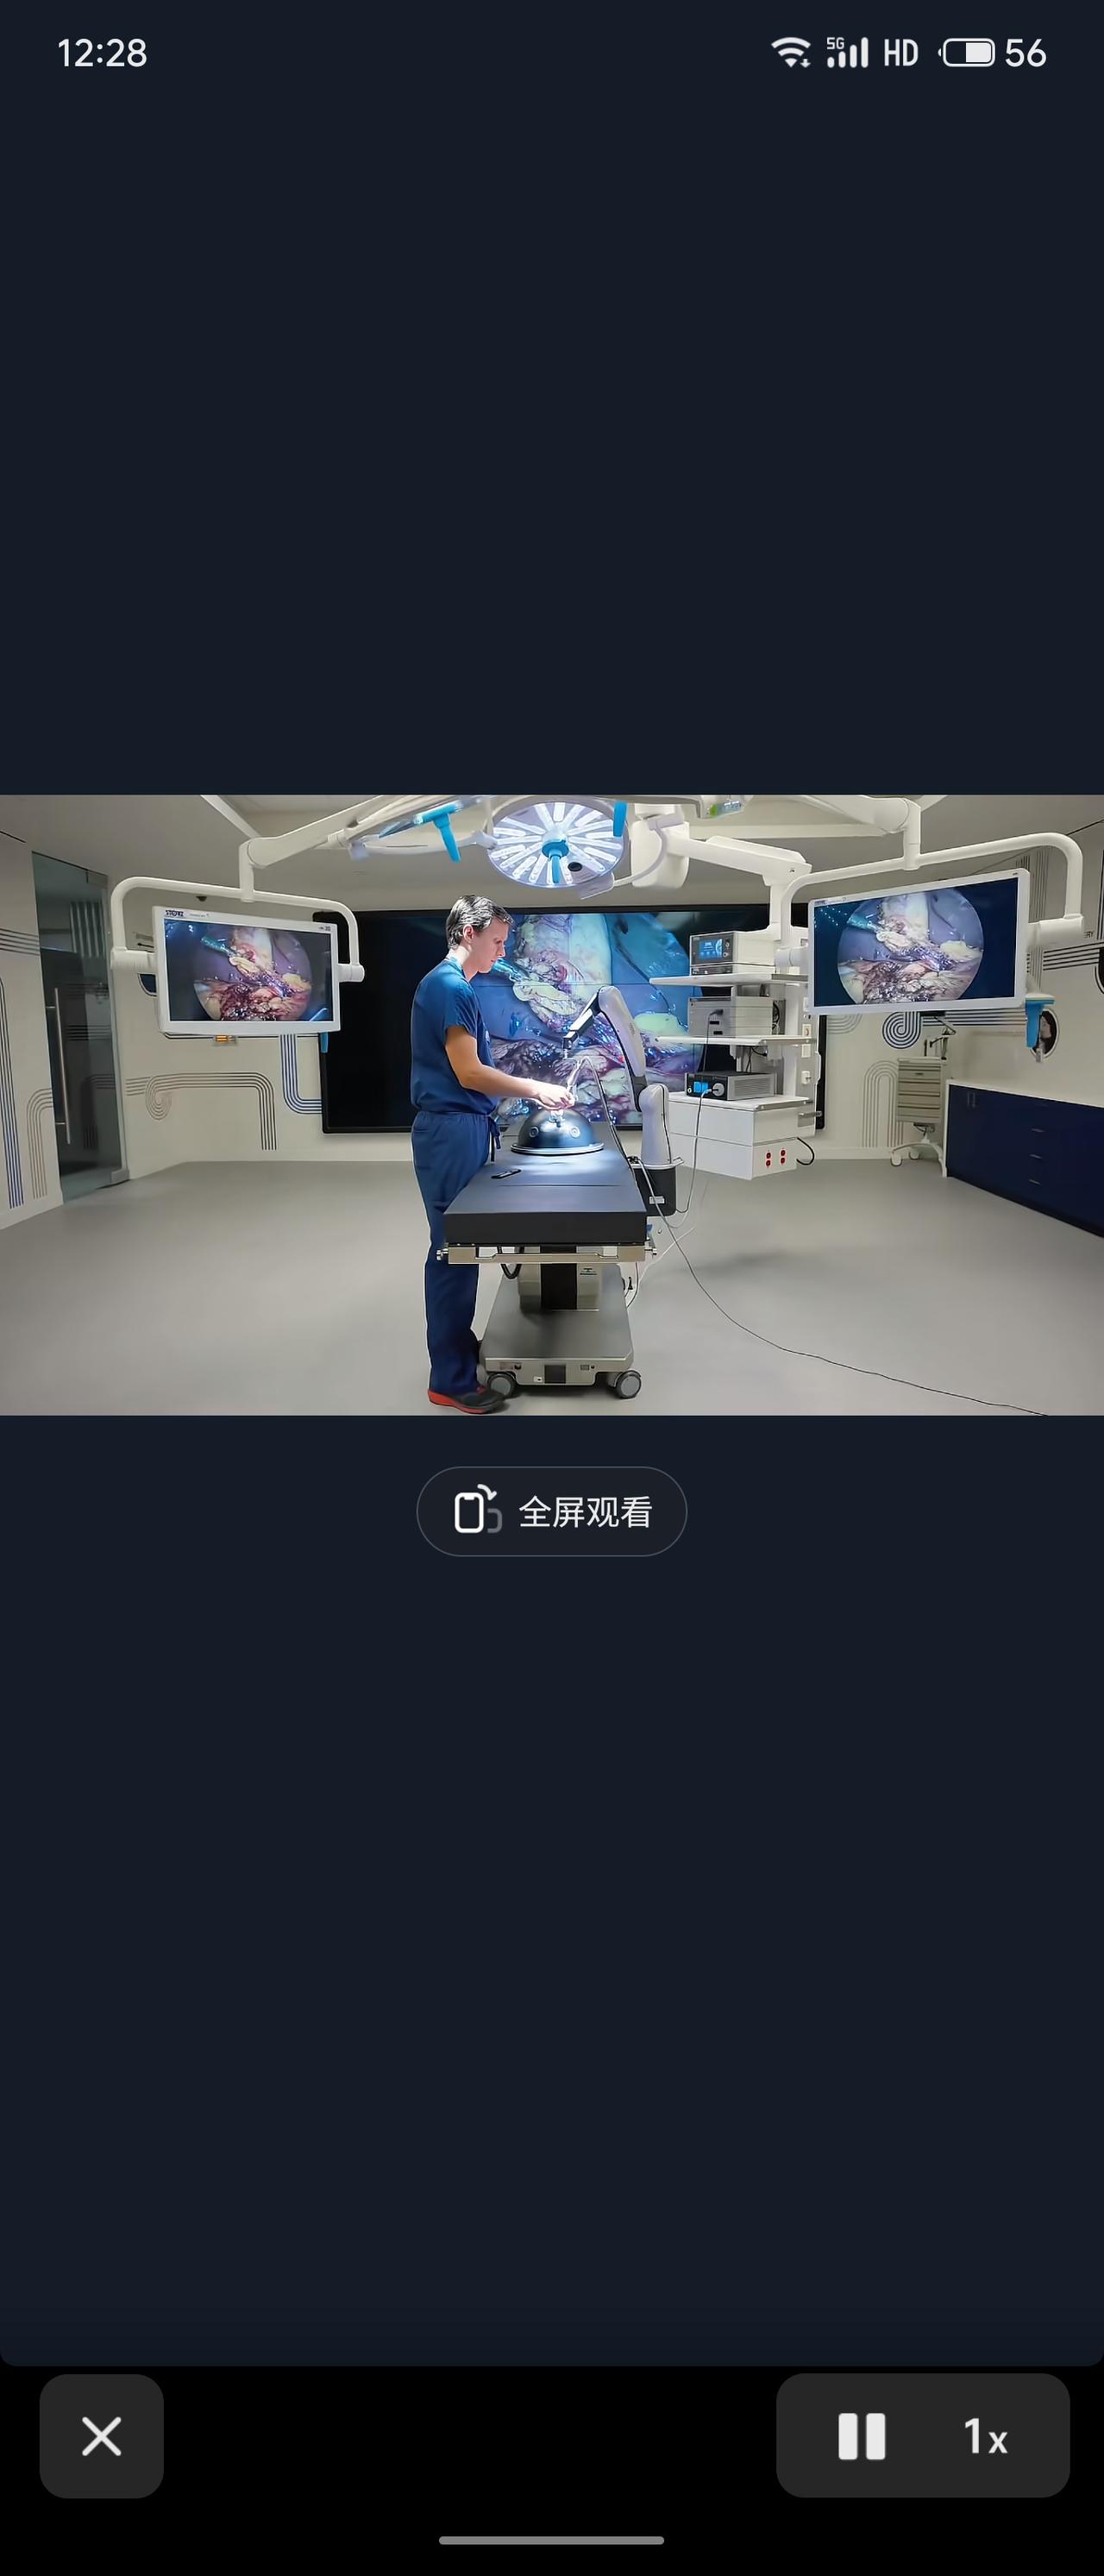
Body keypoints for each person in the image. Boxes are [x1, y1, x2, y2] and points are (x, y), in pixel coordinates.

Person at [411, 897, 574, 1413]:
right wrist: (535, 1088)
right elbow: (469, 1072)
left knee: (461, 1250)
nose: (503, 952)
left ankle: (459, 1353)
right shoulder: (450, 987)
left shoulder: (453, 986)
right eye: (498, 941)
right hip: (451, 1132)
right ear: (469, 933)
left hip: (462, 1128)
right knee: (453, 1252)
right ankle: (450, 1380)